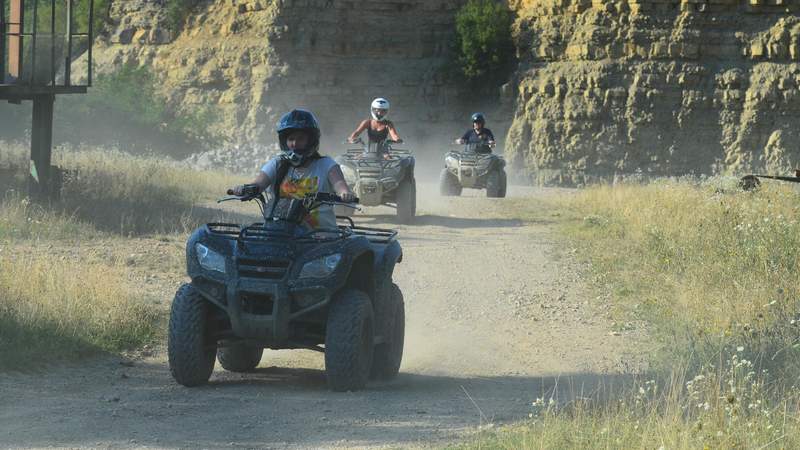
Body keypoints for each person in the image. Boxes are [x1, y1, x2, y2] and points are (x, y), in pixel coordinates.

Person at [230, 109, 356, 230]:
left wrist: (344, 192)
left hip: (319, 235)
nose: (294, 143)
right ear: (284, 141)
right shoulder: (277, 163)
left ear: (311, 141)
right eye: (291, 139)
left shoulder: (326, 165)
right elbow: (258, 184)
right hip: (279, 231)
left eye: (300, 138)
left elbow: (339, 184)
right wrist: (244, 189)